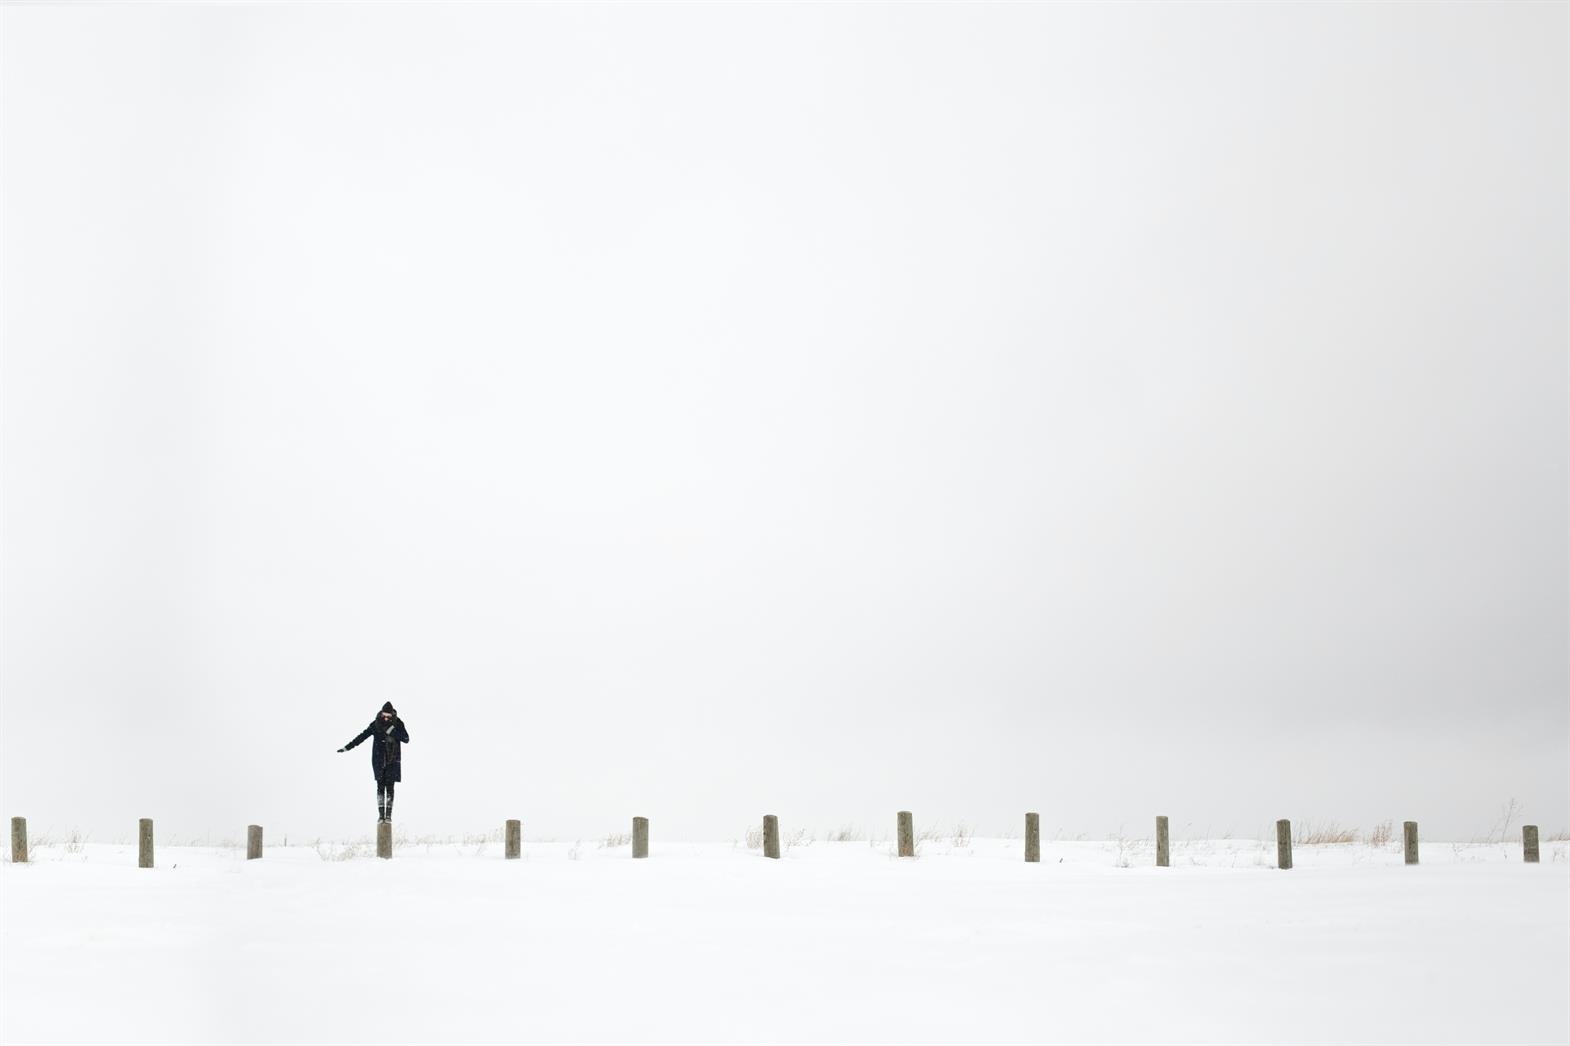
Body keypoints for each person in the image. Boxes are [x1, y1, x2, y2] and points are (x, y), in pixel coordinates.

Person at [338, 702, 410, 823]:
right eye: (384, 716)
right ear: (381, 714)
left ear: (392, 715)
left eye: (388, 716)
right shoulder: (376, 724)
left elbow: (406, 739)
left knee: (390, 788)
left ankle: (388, 816)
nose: (386, 718)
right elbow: (361, 737)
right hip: (379, 761)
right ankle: (381, 816)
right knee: (380, 788)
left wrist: (392, 730)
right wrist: (347, 748)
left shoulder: (398, 723)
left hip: (392, 761)